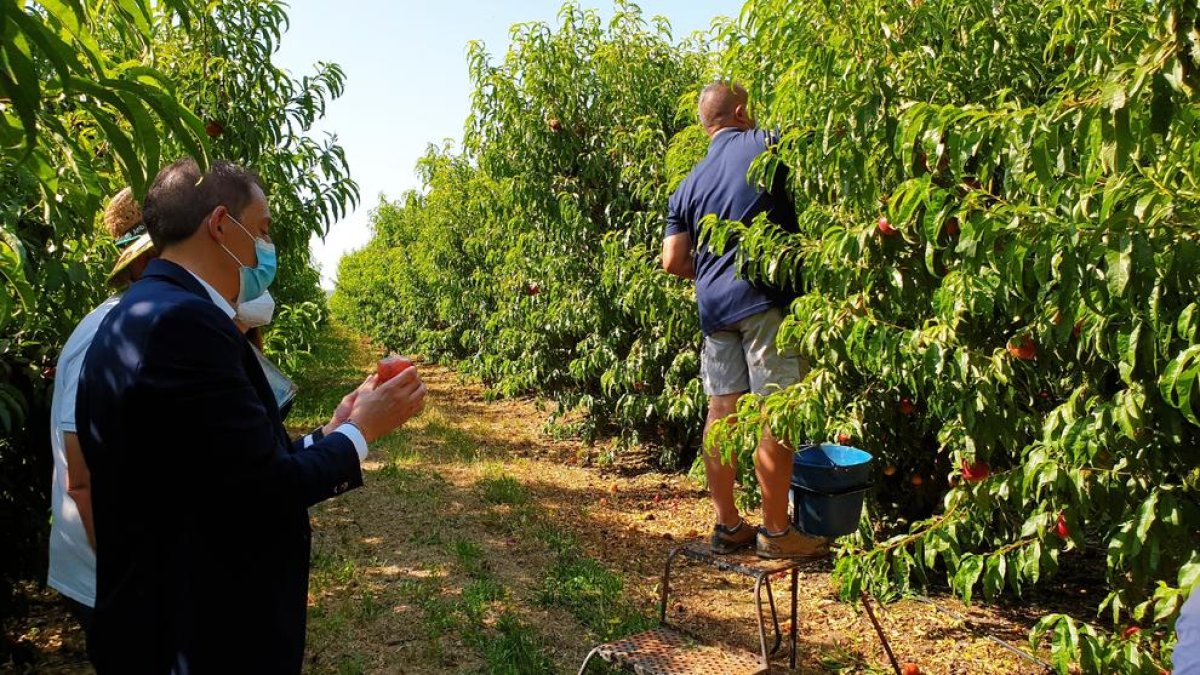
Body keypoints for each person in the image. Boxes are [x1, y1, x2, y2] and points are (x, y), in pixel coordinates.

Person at [76, 158, 425, 673]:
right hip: (201, 635)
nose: (267, 247)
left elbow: (226, 468)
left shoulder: (145, 311)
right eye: (261, 229)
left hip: (169, 620)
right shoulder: (184, 325)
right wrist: (361, 431)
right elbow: (265, 490)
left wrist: (330, 429)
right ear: (220, 226)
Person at [662, 82, 826, 560]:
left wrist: (713, 269)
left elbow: (672, 259)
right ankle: (776, 533)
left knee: (722, 414)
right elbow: (820, 142)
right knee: (777, 410)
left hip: (713, 310)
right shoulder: (764, 143)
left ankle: (728, 524)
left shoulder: (688, 184)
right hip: (762, 300)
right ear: (740, 112)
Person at [47, 187, 157, 630]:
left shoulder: (141, 322)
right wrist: (127, 581)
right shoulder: (110, 334)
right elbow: (82, 480)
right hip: (106, 574)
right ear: (147, 262)